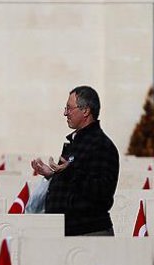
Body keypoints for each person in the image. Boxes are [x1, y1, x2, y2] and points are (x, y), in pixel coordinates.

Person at [31, 86, 119, 236]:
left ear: (85, 111)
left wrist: (70, 171)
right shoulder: (76, 143)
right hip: (67, 233)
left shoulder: (101, 146)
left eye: (69, 108)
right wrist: (52, 175)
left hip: (89, 234)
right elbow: (73, 180)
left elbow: (102, 192)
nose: (65, 113)